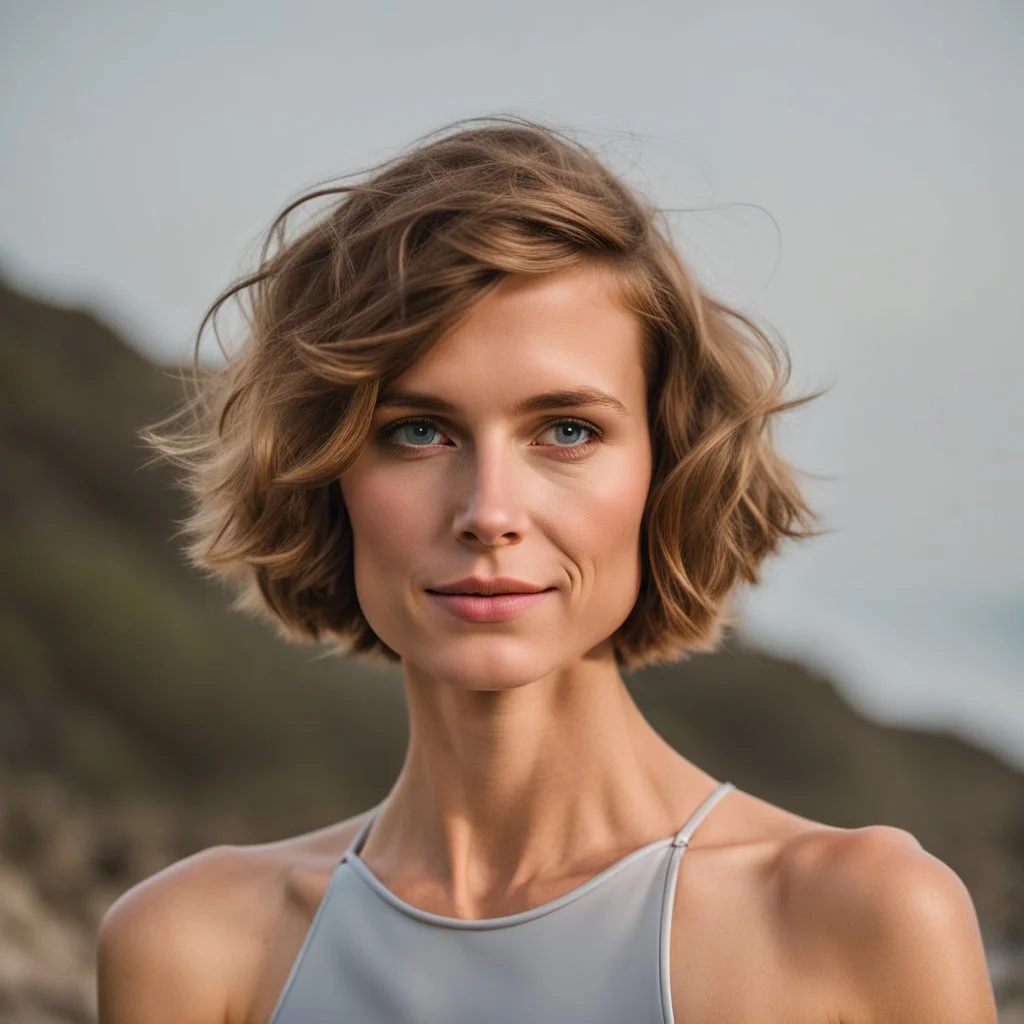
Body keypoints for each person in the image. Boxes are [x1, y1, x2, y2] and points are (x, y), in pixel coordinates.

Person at [97, 116, 998, 1023]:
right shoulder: (194, 948)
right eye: (417, 431)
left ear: (668, 468)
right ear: (325, 473)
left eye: (567, 430)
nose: (489, 511)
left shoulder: (861, 918)